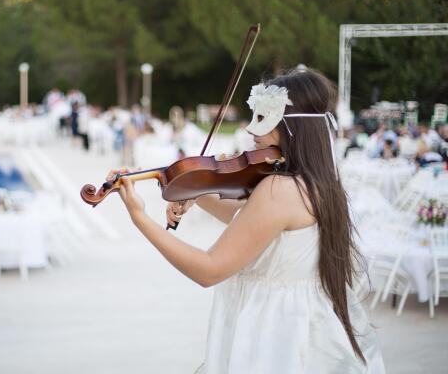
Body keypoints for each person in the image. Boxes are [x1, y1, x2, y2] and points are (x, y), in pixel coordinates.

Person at [109, 68, 384, 373]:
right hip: (301, 325)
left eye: (263, 119)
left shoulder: (279, 190)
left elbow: (209, 270)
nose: (251, 130)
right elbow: (249, 220)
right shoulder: (318, 182)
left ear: (292, 128)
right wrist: (197, 191)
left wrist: (139, 217)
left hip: (272, 333)